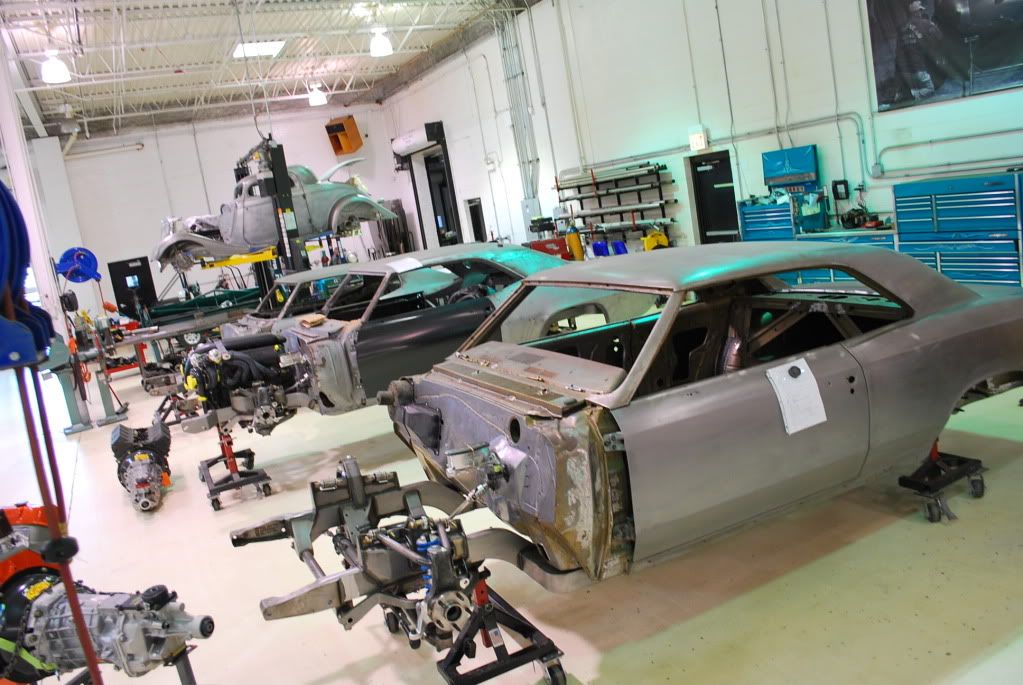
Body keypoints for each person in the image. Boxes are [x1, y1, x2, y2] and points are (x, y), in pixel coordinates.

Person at [895, 1, 943, 100]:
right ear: (917, 12)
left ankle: (907, 93)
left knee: (918, 88)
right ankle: (910, 95)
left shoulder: (902, 28)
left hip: (906, 73)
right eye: (920, 11)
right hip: (919, 69)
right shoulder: (925, 23)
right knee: (930, 89)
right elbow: (939, 37)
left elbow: (898, 52)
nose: (921, 13)